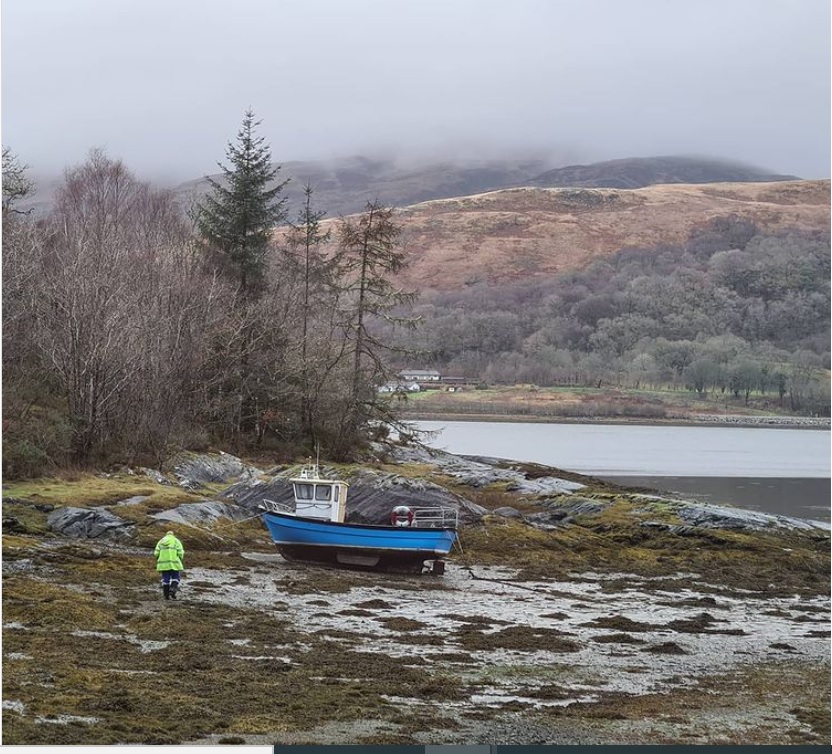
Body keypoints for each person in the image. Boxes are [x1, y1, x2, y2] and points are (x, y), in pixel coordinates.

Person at [154, 530, 185, 600]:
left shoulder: (161, 541)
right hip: (174, 563)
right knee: (176, 578)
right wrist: (180, 559)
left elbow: (156, 553)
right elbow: (180, 552)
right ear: (173, 535)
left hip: (163, 565)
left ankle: (166, 595)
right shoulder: (176, 541)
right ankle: (172, 590)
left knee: (165, 579)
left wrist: (160, 559)